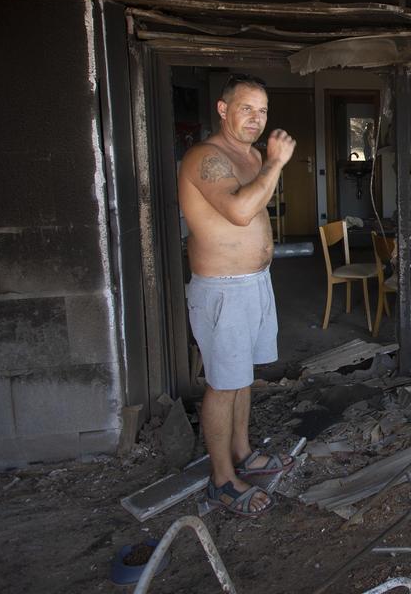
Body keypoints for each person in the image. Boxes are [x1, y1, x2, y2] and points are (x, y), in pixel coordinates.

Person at [178, 73, 296, 516]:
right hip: (222, 292)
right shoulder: (206, 158)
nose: (257, 118)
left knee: (243, 378)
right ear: (223, 110)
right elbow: (242, 211)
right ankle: (222, 479)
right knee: (223, 385)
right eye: (246, 108)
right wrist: (277, 163)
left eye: (263, 110)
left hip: (255, 284)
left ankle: (244, 453)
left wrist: (266, 162)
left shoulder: (250, 157)